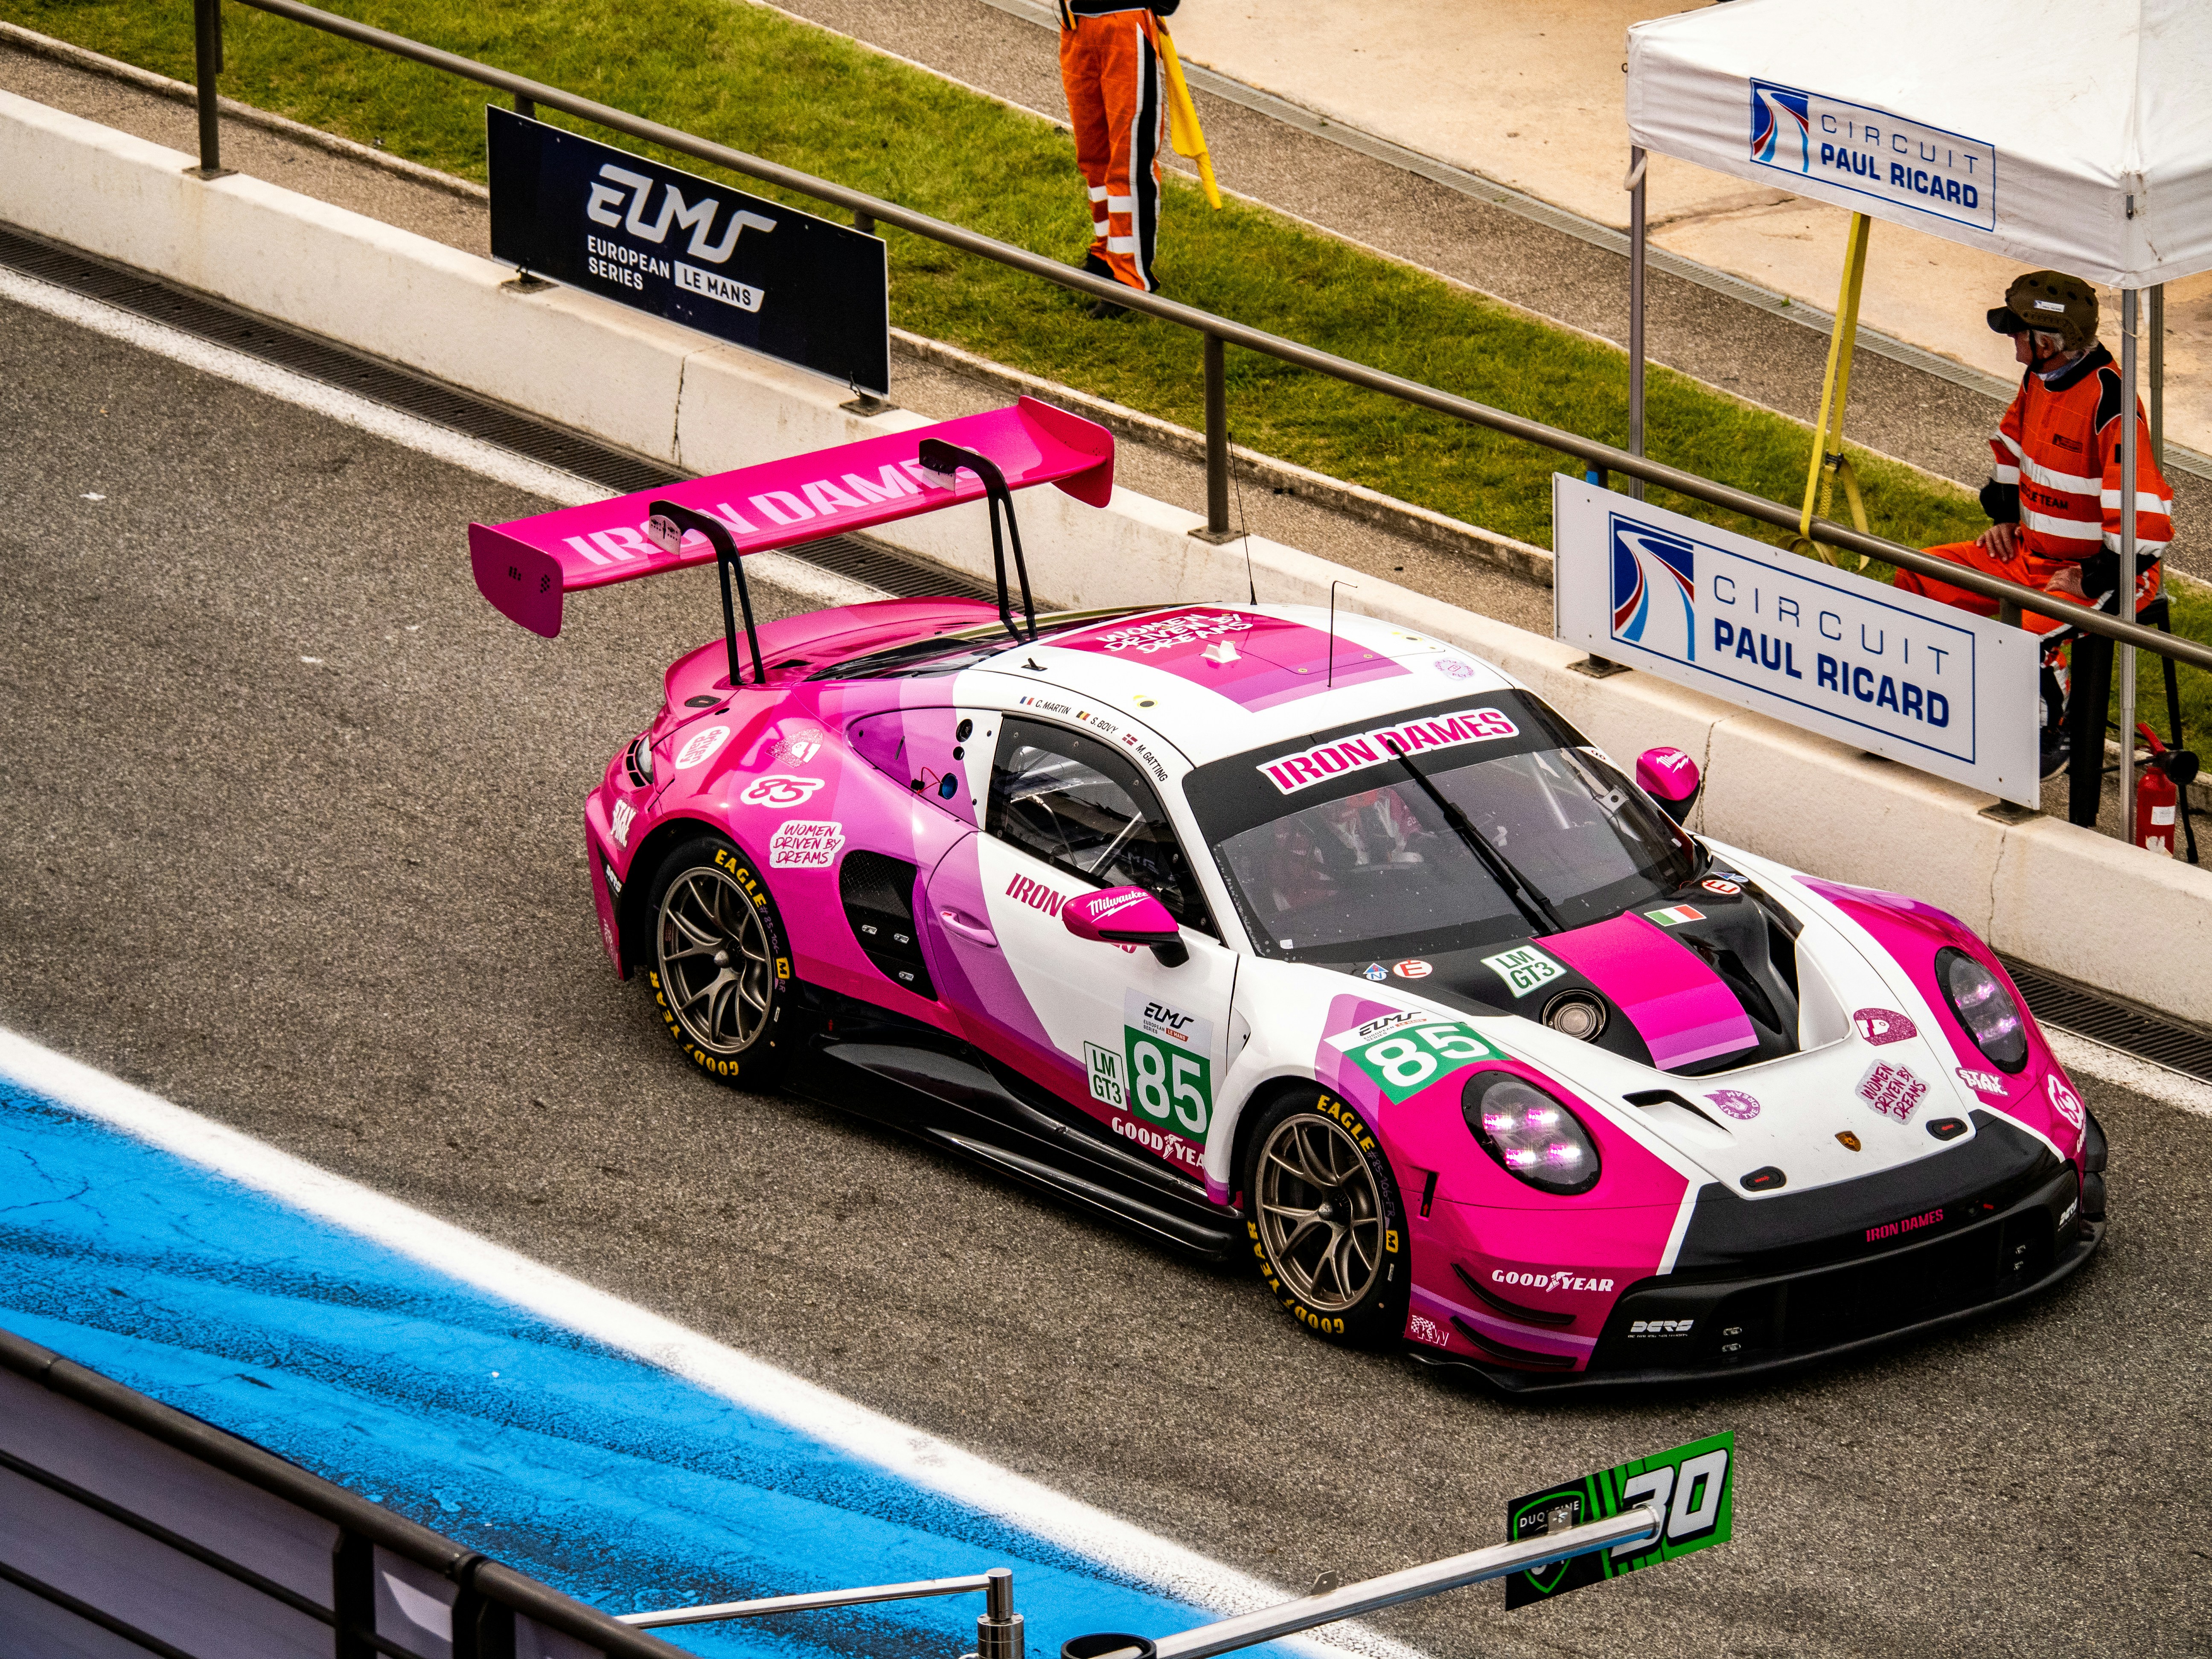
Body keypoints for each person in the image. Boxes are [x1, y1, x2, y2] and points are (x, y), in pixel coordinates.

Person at [1893, 271, 2174, 777]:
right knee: (1919, 574)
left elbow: (2145, 523)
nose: (2011, 343)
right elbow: (2011, 445)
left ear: (2047, 341)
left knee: (2028, 637)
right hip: (2029, 554)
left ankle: (2051, 737)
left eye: (2017, 333)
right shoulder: (2039, 378)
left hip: (2109, 575)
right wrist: (2004, 518)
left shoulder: (2112, 403)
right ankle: (1938, 706)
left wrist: (2089, 578)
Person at [1058, 0, 1179, 316]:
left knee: (1129, 160)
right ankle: (1104, 257)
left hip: (1125, 25)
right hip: (1077, 25)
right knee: (1094, 156)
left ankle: (1130, 281)